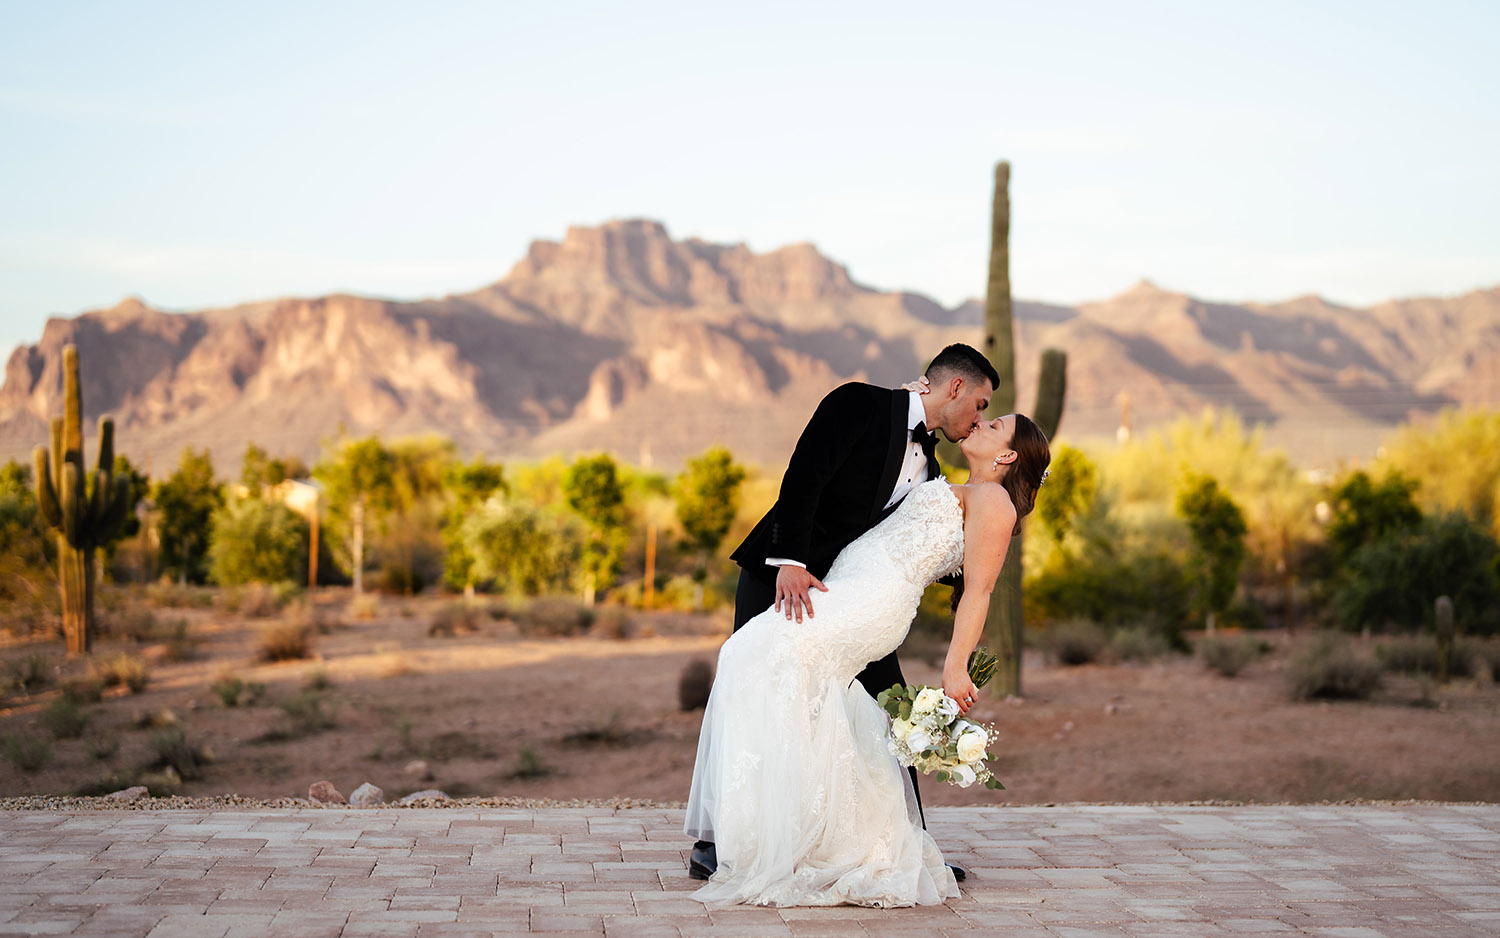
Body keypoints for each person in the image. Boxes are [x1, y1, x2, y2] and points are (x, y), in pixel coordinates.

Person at [684, 407, 1050, 907]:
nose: (980, 425)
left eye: (994, 425)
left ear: (1007, 455)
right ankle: (790, 834)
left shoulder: (994, 501)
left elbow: (979, 592)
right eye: (984, 416)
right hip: (848, 586)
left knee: (752, 654)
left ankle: (789, 839)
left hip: (873, 602)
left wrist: (954, 665)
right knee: (764, 668)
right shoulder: (954, 484)